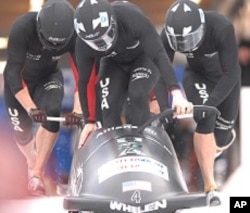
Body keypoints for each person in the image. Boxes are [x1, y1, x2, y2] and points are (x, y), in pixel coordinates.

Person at [73, 0, 193, 148]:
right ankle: (115, 151)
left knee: (137, 93)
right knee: (108, 105)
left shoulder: (132, 18)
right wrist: (89, 121)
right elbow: (85, 81)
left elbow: (159, 55)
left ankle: (146, 146)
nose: (103, 44)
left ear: (113, 22)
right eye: (96, 42)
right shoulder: (82, 45)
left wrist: (176, 94)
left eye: (106, 36)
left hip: (143, 57)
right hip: (112, 63)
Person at [161, 0, 241, 206]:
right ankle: (210, 186)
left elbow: (232, 73)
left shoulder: (221, 27)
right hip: (196, 75)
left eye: (190, 39)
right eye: (180, 42)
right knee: (205, 119)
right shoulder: (167, 35)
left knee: (221, 137)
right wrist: (172, 96)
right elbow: (162, 67)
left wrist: (212, 103)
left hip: (225, 80)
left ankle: (217, 146)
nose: (186, 46)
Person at [3, 0, 83, 196]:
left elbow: (82, 76)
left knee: (52, 113)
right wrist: (30, 108)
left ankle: (37, 175)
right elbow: (13, 74)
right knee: (22, 132)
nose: (50, 48)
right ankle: (32, 163)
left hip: (48, 77)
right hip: (19, 84)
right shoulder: (22, 27)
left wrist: (78, 111)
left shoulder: (74, 35)